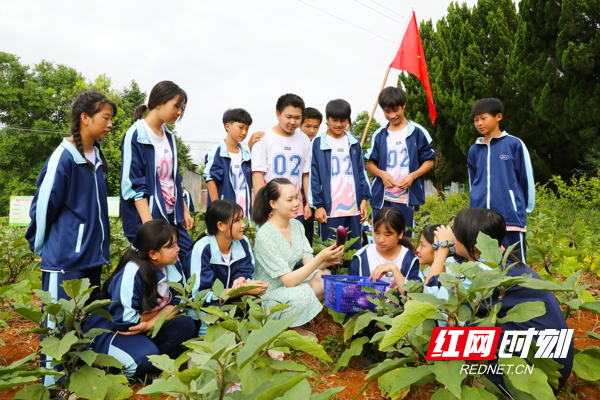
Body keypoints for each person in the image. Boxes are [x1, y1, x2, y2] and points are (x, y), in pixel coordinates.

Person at [425, 208, 573, 396]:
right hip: (554, 357)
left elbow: (433, 301)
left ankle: (487, 383)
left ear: (472, 243)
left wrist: (441, 249)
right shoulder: (505, 262)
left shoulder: (486, 274)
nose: (452, 236)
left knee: (446, 341)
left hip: (539, 366)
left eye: (455, 233)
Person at [25, 91, 116, 386]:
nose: (110, 124)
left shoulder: (97, 157)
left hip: (91, 257)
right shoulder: (63, 158)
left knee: (80, 323)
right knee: (57, 327)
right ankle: (52, 386)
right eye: (106, 118)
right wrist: (40, 247)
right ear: (84, 118)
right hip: (65, 260)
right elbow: (42, 209)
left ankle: (74, 381)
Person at [83, 219, 196, 380]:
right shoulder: (132, 273)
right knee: (144, 358)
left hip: (142, 326)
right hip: (111, 330)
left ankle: (151, 365)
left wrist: (150, 323)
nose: (178, 249)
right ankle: (114, 367)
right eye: (171, 246)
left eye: (176, 244)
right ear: (153, 254)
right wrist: (163, 312)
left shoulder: (173, 264)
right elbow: (126, 323)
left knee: (186, 325)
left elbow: (180, 302)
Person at [252, 178, 344, 337]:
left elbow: (309, 262)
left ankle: (294, 319)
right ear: (273, 204)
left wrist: (324, 261)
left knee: (325, 278)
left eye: (297, 197)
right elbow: (288, 281)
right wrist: (320, 257)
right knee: (301, 293)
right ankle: (282, 325)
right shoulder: (265, 235)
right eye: (290, 200)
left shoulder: (297, 226)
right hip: (270, 294)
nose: (296, 203)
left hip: (290, 286)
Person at [120, 81, 194, 265]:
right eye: (176, 106)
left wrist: (183, 210)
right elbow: (133, 183)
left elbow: (174, 177)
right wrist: (149, 226)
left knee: (188, 257)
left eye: (182, 108)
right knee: (152, 271)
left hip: (171, 217)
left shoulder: (169, 136)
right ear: (159, 102)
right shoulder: (136, 134)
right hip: (148, 218)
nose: (179, 112)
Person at [187, 200, 268, 335]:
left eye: (242, 218)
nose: (244, 224)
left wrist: (241, 279)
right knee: (213, 321)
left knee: (253, 303)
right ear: (221, 226)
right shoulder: (203, 248)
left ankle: (250, 341)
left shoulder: (243, 242)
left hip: (230, 300)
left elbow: (247, 269)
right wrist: (243, 290)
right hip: (207, 308)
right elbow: (201, 297)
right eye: (237, 220)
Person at [468, 98, 534, 262]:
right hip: (481, 219)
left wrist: (522, 209)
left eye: (483, 118)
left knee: (515, 262)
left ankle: (520, 287)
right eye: (476, 120)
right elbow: (473, 182)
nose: (479, 123)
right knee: (484, 262)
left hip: (509, 216)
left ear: (498, 117)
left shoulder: (514, 144)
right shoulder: (474, 150)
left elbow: (525, 179)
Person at [364, 86, 435, 237]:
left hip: (405, 198)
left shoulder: (417, 132)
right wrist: (382, 174)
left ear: (404, 105)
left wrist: (412, 176)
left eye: (395, 110)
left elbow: (429, 162)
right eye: (387, 111)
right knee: (381, 238)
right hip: (382, 198)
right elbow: (370, 164)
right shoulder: (379, 135)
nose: (392, 115)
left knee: (403, 239)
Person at [309, 99, 370, 259]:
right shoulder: (318, 143)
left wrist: (363, 199)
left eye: (343, 120)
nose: (338, 124)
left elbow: (360, 171)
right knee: (332, 252)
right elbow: (313, 175)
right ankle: (332, 283)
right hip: (330, 210)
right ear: (327, 119)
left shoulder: (354, 142)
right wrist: (318, 205)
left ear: (348, 120)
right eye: (334, 120)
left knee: (354, 251)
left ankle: (354, 283)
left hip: (353, 208)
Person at [251, 94, 312, 225]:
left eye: (297, 118)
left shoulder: (304, 139)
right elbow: (257, 175)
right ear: (278, 114)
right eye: (288, 117)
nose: (293, 122)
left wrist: (308, 203)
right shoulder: (263, 138)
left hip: (297, 208)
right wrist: (263, 207)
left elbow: (305, 174)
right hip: (273, 208)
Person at [353, 208, 422, 291]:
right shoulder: (361, 257)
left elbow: (413, 295)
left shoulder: (410, 260)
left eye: (388, 234)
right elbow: (352, 291)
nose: (381, 239)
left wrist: (393, 269)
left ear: (400, 234)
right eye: (377, 233)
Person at [204, 108, 253, 218]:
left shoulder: (246, 156)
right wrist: (217, 209)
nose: (244, 132)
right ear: (228, 126)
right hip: (224, 214)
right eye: (241, 127)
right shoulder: (217, 152)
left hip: (244, 215)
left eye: (247, 129)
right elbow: (210, 179)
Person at [298, 107, 322, 245]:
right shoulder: (296, 143)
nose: (312, 130)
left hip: (314, 199)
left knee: (308, 237)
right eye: (307, 126)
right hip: (299, 199)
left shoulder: (318, 145)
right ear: (300, 124)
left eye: (315, 127)